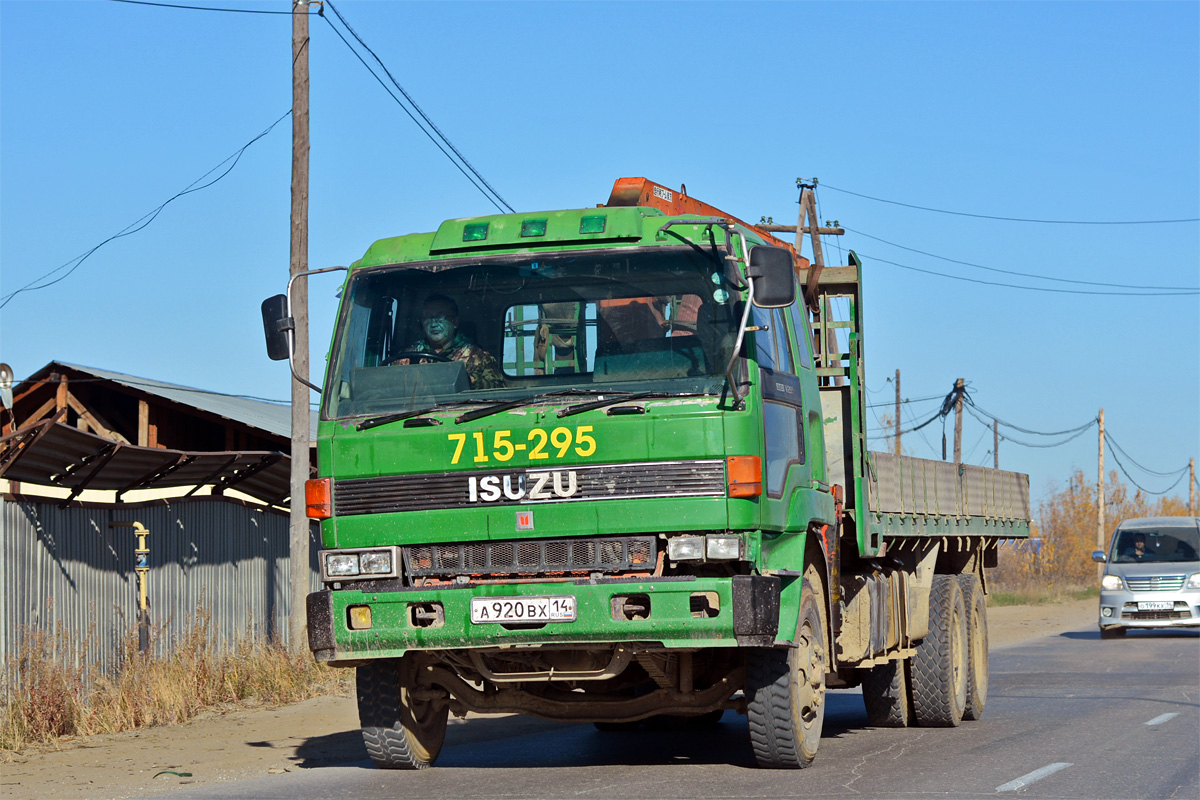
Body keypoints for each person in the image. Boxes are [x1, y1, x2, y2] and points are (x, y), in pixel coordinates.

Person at [392, 295, 504, 389]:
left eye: (440, 317)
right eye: (427, 317)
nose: (433, 324)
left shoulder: (479, 358)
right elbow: (387, 390)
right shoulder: (406, 358)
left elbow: (498, 392)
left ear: (455, 322)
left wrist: (470, 381)